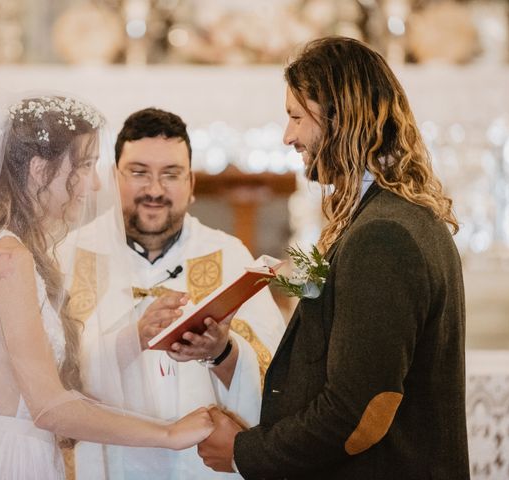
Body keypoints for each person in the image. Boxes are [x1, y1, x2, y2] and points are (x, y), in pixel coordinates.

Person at [0, 94, 214, 480]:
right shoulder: (9, 260)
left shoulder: (0, 249)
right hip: (11, 463)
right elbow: (48, 407)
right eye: (84, 165)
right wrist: (168, 434)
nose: (97, 181)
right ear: (39, 169)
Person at [197, 36, 470, 479]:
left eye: (296, 117)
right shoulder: (389, 216)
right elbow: (336, 288)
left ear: (340, 118)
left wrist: (245, 452)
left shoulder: (383, 235)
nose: (288, 137)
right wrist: (256, 283)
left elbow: (357, 413)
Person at [63, 108, 286, 479]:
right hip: (101, 462)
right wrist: (131, 338)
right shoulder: (71, 256)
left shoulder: (227, 255)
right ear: (114, 177)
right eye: (138, 173)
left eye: (171, 174)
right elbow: (51, 379)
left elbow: (276, 377)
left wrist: (222, 350)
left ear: (192, 183)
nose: (154, 190)